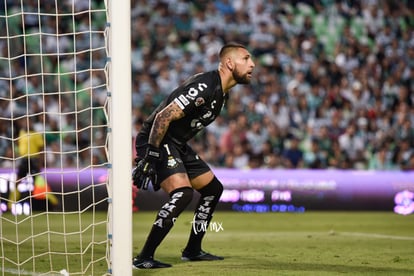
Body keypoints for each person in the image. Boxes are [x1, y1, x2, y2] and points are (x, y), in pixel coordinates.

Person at [132, 42, 255, 269]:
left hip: (177, 143)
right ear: (229, 63)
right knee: (183, 193)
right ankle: (143, 257)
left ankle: (192, 250)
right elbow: (162, 117)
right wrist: (150, 155)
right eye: (246, 59)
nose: (252, 64)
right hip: (158, 138)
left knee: (213, 190)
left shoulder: (221, 94)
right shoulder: (205, 85)